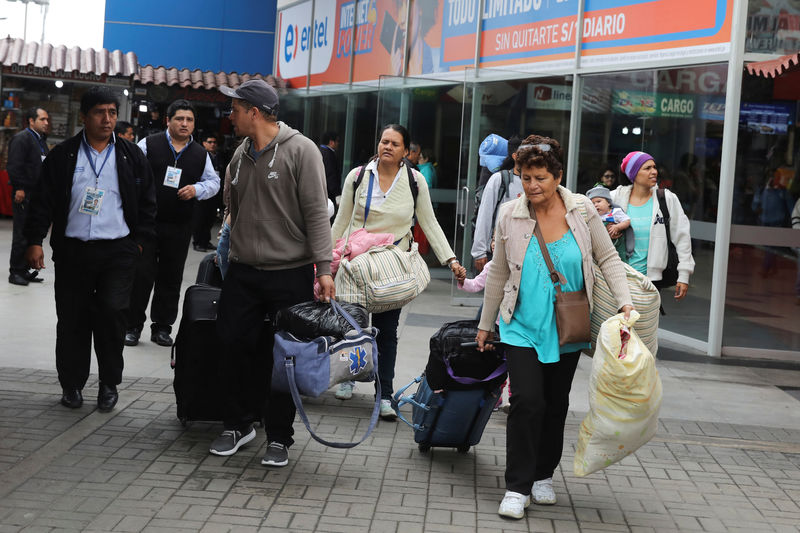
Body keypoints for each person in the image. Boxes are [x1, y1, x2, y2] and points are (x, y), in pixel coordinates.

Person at [474, 136, 633, 520]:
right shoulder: (510, 213)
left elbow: (607, 257)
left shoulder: (581, 211)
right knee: (527, 402)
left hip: (567, 323)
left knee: (555, 404)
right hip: (521, 325)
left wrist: (626, 300)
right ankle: (517, 486)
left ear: (557, 176)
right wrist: (485, 323)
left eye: (541, 177)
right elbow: (497, 271)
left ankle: (543, 473)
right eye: (527, 177)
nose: (533, 186)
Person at [208, 79, 335, 467]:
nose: (230, 117)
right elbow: (231, 209)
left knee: (285, 357)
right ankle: (238, 424)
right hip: (244, 272)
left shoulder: (302, 151)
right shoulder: (239, 156)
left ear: (255, 112)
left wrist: (325, 269)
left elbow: (317, 213)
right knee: (230, 344)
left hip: (290, 272)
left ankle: (279, 435)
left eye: (235, 109)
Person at [23, 86, 156, 412]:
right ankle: (72, 384)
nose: (108, 119)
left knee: (112, 314)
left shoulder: (130, 155)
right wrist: (35, 240)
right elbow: (43, 200)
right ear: (85, 116)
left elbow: (147, 203)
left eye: (112, 112)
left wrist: (138, 244)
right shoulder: (63, 155)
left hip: (118, 252)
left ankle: (109, 383)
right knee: (73, 320)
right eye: (100, 112)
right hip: (74, 252)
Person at [330, 123, 466, 418]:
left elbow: (429, 222)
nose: (387, 147)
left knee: (386, 331)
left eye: (394, 143)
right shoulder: (357, 177)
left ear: (406, 151)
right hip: (355, 264)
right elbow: (340, 222)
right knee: (352, 327)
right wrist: (322, 262)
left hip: (391, 268)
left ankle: (385, 394)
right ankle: (348, 378)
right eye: (383, 141)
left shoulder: (415, 182)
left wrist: (451, 260)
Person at [124, 100, 220, 348]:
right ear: (168, 120)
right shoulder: (149, 144)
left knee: (171, 278)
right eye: (179, 119)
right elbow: (129, 170)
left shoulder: (200, 154)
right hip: (148, 224)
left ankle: (163, 328)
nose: (184, 124)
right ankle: (132, 326)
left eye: (189, 120)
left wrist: (197, 189)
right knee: (141, 275)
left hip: (179, 225)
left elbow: (214, 182)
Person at [612, 151, 695, 298]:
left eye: (654, 167)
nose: (654, 172)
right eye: (647, 168)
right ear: (634, 173)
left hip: (651, 281)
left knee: (645, 321)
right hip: (618, 278)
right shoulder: (616, 198)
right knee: (618, 321)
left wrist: (684, 275)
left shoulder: (666, 199)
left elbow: (682, 238)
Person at [7, 107, 50, 286]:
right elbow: (14, 165)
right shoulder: (22, 139)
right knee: (21, 233)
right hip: (24, 193)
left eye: (47, 119)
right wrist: (19, 188)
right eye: (42, 119)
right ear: (31, 121)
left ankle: (24, 269)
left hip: (36, 195)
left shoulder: (40, 140)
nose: (46, 123)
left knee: (31, 232)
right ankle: (15, 271)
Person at [471, 136, 524, 272]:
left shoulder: (534, 183)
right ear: (515, 156)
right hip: (499, 251)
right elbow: (484, 216)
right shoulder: (499, 179)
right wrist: (479, 252)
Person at [192, 133, 223, 252]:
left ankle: (206, 240)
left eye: (214, 142)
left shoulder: (219, 156)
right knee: (200, 218)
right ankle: (197, 242)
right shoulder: (200, 155)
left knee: (210, 218)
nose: (212, 145)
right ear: (204, 143)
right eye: (209, 142)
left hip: (214, 191)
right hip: (202, 190)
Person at [586, 186, 632, 262]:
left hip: (617, 244)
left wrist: (617, 227)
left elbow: (627, 221)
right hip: (601, 246)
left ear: (608, 203)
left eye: (598, 201)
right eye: (593, 203)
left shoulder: (615, 212)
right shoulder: (593, 217)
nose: (596, 205)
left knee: (620, 259)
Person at [319, 131, 340, 204]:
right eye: (337, 141)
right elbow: (331, 175)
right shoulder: (329, 155)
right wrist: (337, 193)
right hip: (328, 194)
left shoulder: (319, 151)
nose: (338, 144)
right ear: (331, 142)